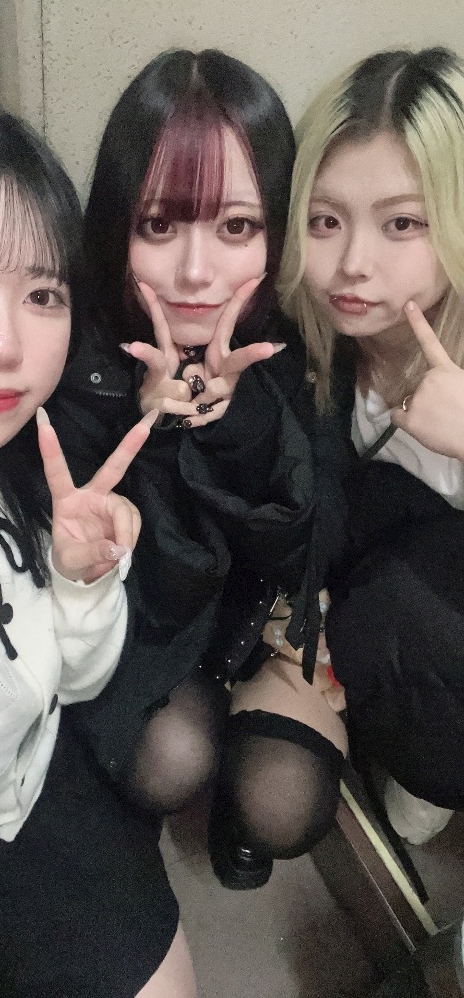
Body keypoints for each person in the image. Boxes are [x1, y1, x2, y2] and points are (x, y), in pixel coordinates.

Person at [0, 98, 197, 998]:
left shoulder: (12, 464)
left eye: (41, 295)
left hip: (32, 798)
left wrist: (81, 582)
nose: (5, 346)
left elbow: (72, 682)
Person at [53, 48, 349, 892]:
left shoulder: (300, 335)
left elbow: (309, 550)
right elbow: (132, 585)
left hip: (261, 625)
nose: (195, 272)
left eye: (237, 227)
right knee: (170, 759)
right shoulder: (79, 346)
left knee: (284, 804)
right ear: (117, 224)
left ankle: (235, 787)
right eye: (159, 226)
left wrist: (238, 420)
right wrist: (150, 423)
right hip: (157, 632)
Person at [279, 46, 464, 849]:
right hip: (377, 609)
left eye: (402, 223)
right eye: (326, 220)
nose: (352, 264)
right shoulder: (309, 341)